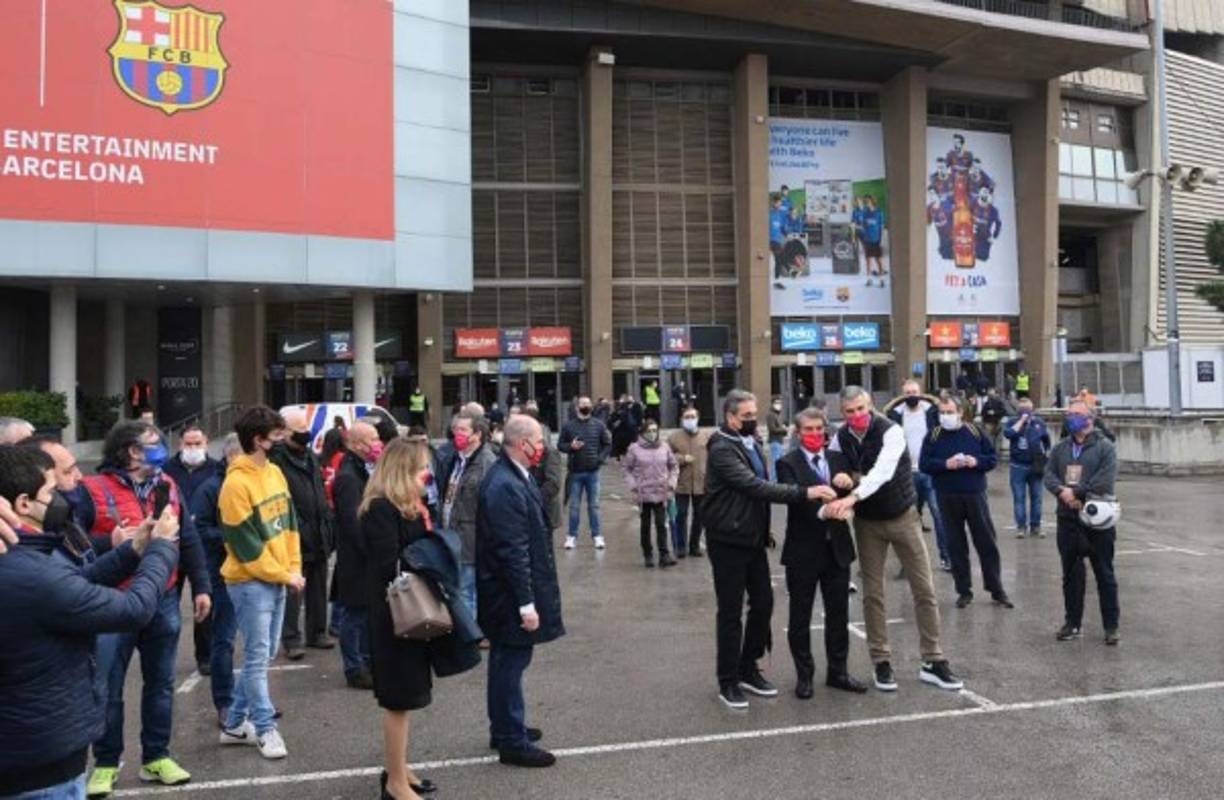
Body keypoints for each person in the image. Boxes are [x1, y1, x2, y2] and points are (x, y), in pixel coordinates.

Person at [0, 445, 181, 800]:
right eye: (52, 492)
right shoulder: (27, 572)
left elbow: (78, 584)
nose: (66, 495)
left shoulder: (28, 557)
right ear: (23, 504)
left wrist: (135, 549)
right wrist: (162, 548)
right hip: (40, 771)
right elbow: (133, 609)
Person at [82, 422, 210, 797]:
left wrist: (201, 586)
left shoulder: (167, 485)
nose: (162, 449)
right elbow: (72, 542)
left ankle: (156, 756)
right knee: (108, 686)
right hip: (112, 601)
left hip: (163, 596)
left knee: (161, 682)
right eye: (153, 444)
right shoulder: (92, 490)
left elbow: (187, 536)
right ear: (131, 451)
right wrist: (110, 542)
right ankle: (106, 762)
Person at [824, 386, 963, 693]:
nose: (857, 416)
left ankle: (933, 659)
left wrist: (854, 493)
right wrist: (840, 477)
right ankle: (881, 662)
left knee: (924, 588)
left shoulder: (891, 431)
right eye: (850, 412)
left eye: (861, 408)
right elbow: (834, 467)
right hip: (868, 523)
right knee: (873, 594)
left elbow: (883, 472)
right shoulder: (839, 437)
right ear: (842, 414)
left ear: (871, 405)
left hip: (903, 516)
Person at [361, 438, 476, 800]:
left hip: (409, 614)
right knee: (399, 700)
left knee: (408, 698)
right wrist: (429, 551)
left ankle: (400, 769)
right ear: (401, 471)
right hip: (395, 617)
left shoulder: (406, 505)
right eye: (419, 469)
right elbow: (388, 564)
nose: (426, 475)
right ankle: (394, 783)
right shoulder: (380, 509)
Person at [702, 390, 828, 710]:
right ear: (730, 418)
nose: (752, 419)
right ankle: (728, 680)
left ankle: (748, 667)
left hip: (753, 538)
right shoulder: (721, 448)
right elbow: (754, 486)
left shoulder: (752, 442)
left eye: (754, 413)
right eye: (746, 416)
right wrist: (805, 492)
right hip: (728, 540)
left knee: (763, 604)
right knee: (730, 612)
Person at [477, 414, 564, 768]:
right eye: (538, 440)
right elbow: (513, 550)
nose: (542, 446)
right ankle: (511, 740)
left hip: (506, 592)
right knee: (509, 663)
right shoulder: (504, 484)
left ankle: (506, 727)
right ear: (520, 443)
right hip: (506, 595)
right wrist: (526, 604)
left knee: (509, 662)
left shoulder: (516, 476)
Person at [217, 406, 302, 760]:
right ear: (259, 440)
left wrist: (292, 567)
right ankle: (265, 728)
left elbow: (290, 524)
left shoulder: (276, 473)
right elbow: (246, 547)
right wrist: (286, 574)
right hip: (251, 583)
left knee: (262, 654)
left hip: (277, 578)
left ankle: (235, 724)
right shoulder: (235, 485)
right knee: (256, 658)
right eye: (277, 436)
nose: (282, 440)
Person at [775, 409, 867, 699]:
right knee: (800, 617)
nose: (815, 435)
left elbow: (854, 491)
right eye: (809, 430)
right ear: (798, 433)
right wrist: (823, 509)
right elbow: (794, 499)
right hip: (803, 550)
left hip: (837, 548)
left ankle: (838, 672)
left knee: (839, 613)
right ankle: (805, 675)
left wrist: (849, 485)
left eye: (819, 429)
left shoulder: (838, 460)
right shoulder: (786, 463)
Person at [918, 397, 1013, 610]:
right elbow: (924, 464)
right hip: (946, 495)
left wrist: (975, 461)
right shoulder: (933, 436)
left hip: (974, 494)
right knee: (956, 545)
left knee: (986, 541)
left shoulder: (975, 431)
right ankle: (963, 591)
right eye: (942, 412)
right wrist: (945, 464)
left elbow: (991, 458)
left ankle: (996, 589)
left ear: (960, 412)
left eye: (949, 411)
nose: (945, 416)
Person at [1043, 400, 1120, 645]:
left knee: (1104, 574)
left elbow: (1104, 480)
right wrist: (1062, 492)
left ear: (1089, 418)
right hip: (1067, 519)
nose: (1070, 417)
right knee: (1071, 575)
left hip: (1097, 520)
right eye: (1068, 414)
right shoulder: (1060, 448)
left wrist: (1077, 494)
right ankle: (1072, 623)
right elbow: (1049, 475)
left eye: (1076, 414)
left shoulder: (1105, 447)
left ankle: (1111, 626)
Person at [270, 409, 336, 659]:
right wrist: (295, 525)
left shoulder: (309, 455)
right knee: (293, 591)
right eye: (300, 430)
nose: (306, 434)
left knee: (319, 585)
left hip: (318, 530)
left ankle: (317, 632)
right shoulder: (277, 460)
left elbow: (318, 490)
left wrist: (327, 523)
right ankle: (291, 639)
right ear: (285, 433)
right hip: (295, 533)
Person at [163, 424, 224, 673]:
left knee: (205, 602)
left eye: (197, 443)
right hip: (172, 545)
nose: (193, 448)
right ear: (180, 445)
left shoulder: (215, 469)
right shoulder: (167, 470)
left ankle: (205, 656)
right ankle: (165, 656)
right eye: (188, 444)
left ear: (206, 443)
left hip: (203, 546)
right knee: (167, 604)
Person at [192, 433, 244, 729]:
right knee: (222, 641)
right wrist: (232, 539)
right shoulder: (211, 488)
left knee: (254, 644)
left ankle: (251, 700)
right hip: (222, 573)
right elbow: (200, 530)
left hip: (252, 571)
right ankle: (224, 703)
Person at [333, 421, 383, 689]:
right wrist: (371, 549)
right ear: (355, 444)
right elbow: (353, 524)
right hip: (356, 560)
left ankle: (365, 661)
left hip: (365, 559)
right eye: (372, 439)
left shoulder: (364, 470)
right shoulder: (348, 477)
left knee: (365, 614)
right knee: (354, 616)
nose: (377, 443)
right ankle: (355, 667)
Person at [435, 410, 498, 617]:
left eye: (463, 430)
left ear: (477, 434)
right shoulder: (452, 458)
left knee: (466, 591)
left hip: (470, 539)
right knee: (457, 590)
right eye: (455, 430)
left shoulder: (487, 463)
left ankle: (468, 640)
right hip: (450, 535)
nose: (457, 435)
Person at [885, 381, 951, 572]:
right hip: (907, 474)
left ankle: (946, 558)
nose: (911, 395)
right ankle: (909, 563)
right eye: (907, 393)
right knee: (909, 520)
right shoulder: (895, 414)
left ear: (920, 393)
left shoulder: (932, 412)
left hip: (930, 472)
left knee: (939, 514)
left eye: (914, 392)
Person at [557, 396, 612, 551]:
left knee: (594, 506)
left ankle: (597, 536)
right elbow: (560, 445)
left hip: (593, 472)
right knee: (574, 506)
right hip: (575, 472)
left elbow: (607, 444)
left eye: (588, 404)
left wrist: (599, 459)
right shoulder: (568, 426)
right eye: (583, 404)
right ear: (577, 407)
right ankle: (571, 536)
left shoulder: (599, 425)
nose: (585, 406)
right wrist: (571, 446)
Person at [622, 420, 679, 568]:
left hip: (661, 492)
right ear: (643, 432)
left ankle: (664, 554)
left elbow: (673, 466)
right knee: (645, 525)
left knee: (661, 524)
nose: (652, 433)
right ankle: (648, 554)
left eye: (655, 430)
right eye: (649, 430)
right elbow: (626, 469)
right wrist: (633, 486)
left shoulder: (664, 447)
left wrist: (672, 483)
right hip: (643, 494)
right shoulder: (634, 449)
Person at [1003, 397, 1051, 539]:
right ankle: (1021, 527)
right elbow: (1009, 434)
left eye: (1029, 410)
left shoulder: (1039, 423)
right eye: (1023, 410)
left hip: (1035, 466)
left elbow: (1046, 441)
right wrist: (1022, 421)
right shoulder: (1012, 422)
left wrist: (1045, 456)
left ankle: (1035, 526)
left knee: (1037, 498)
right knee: (1019, 498)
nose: (1026, 413)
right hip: (1018, 466)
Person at [667, 407, 708, 558]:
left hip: (701, 483)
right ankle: (680, 547)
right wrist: (682, 459)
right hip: (681, 484)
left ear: (697, 418)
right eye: (687, 417)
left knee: (700, 516)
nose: (690, 419)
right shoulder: (674, 437)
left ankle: (694, 545)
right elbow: (666, 457)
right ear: (682, 419)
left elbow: (712, 459)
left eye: (692, 416)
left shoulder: (706, 437)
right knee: (680, 515)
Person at [521, 401, 564, 533]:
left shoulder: (549, 452)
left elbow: (553, 484)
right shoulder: (521, 451)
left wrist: (532, 501)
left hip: (545, 513)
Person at [609, 395, 641, 459]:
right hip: (622, 432)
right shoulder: (621, 408)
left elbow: (638, 417)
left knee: (627, 446)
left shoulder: (634, 407)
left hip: (626, 431)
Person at [980, 387, 1008, 453]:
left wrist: (988, 414)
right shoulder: (999, 402)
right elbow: (1004, 411)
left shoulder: (987, 403)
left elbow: (982, 413)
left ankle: (991, 452)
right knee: (997, 439)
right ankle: (995, 453)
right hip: (996, 422)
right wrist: (996, 413)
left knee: (990, 439)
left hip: (989, 422)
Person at [765, 396, 788, 474]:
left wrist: (784, 429)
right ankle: (774, 481)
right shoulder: (771, 415)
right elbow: (772, 429)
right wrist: (783, 429)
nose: (779, 405)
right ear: (772, 404)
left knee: (780, 463)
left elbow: (779, 429)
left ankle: (778, 480)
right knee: (776, 463)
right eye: (776, 403)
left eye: (780, 403)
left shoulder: (777, 415)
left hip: (779, 441)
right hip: (775, 441)